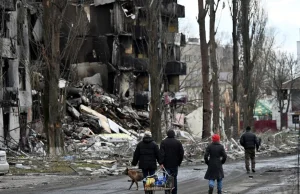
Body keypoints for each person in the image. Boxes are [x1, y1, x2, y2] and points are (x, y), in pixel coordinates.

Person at [159, 129, 184, 194]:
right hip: (175, 164)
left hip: (166, 164)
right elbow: (181, 153)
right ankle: (174, 192)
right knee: (174, 179)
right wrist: (179, 162)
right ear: (174, 134)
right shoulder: (178, 142)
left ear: (167, 134)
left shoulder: (163, 142)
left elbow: (161, 154)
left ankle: (167, 192)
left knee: (167, 179)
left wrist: (161, 163)